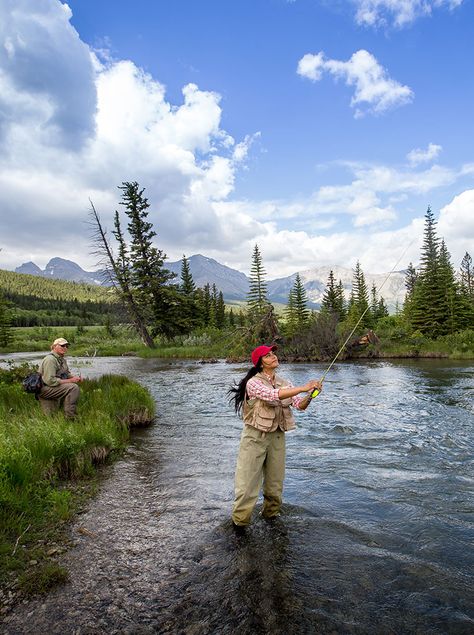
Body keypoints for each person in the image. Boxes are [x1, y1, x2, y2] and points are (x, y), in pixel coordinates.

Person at [228, 344, 322, 528]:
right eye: (268, 355)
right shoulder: (253, 382)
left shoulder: (284, 382)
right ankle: (239, 527)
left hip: (277, 438)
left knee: (275, 487)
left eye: (274, 353)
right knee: (246, 489)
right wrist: (304, 387)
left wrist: (310, 395)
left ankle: (271, 520)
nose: (273, 356)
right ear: (260, 363)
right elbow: (271, 395)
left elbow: (299, 405)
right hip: (254, 438)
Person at [38, 337, 82, 418]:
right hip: (45, 389)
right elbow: (50, 381)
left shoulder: (61, 359)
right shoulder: (50, 360)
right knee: (73, 388)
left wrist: (75, 378)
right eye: (62, 346)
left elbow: (66, 373)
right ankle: (71, 417)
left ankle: (65, 412)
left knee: (51, 417)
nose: (65, 348)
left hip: (53, 387)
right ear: (54, 347)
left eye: (66, 346)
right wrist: (70, 380)